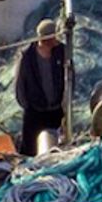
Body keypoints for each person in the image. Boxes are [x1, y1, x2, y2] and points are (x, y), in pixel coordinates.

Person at [13, 19, 66, 156]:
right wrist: (27, 105)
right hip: (34, 111)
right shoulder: (27, 56)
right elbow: (19, 83)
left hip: (55, 110)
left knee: (54, 147)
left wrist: (63, 103)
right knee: (29, 149)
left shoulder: (61, 51)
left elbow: (69, 77)